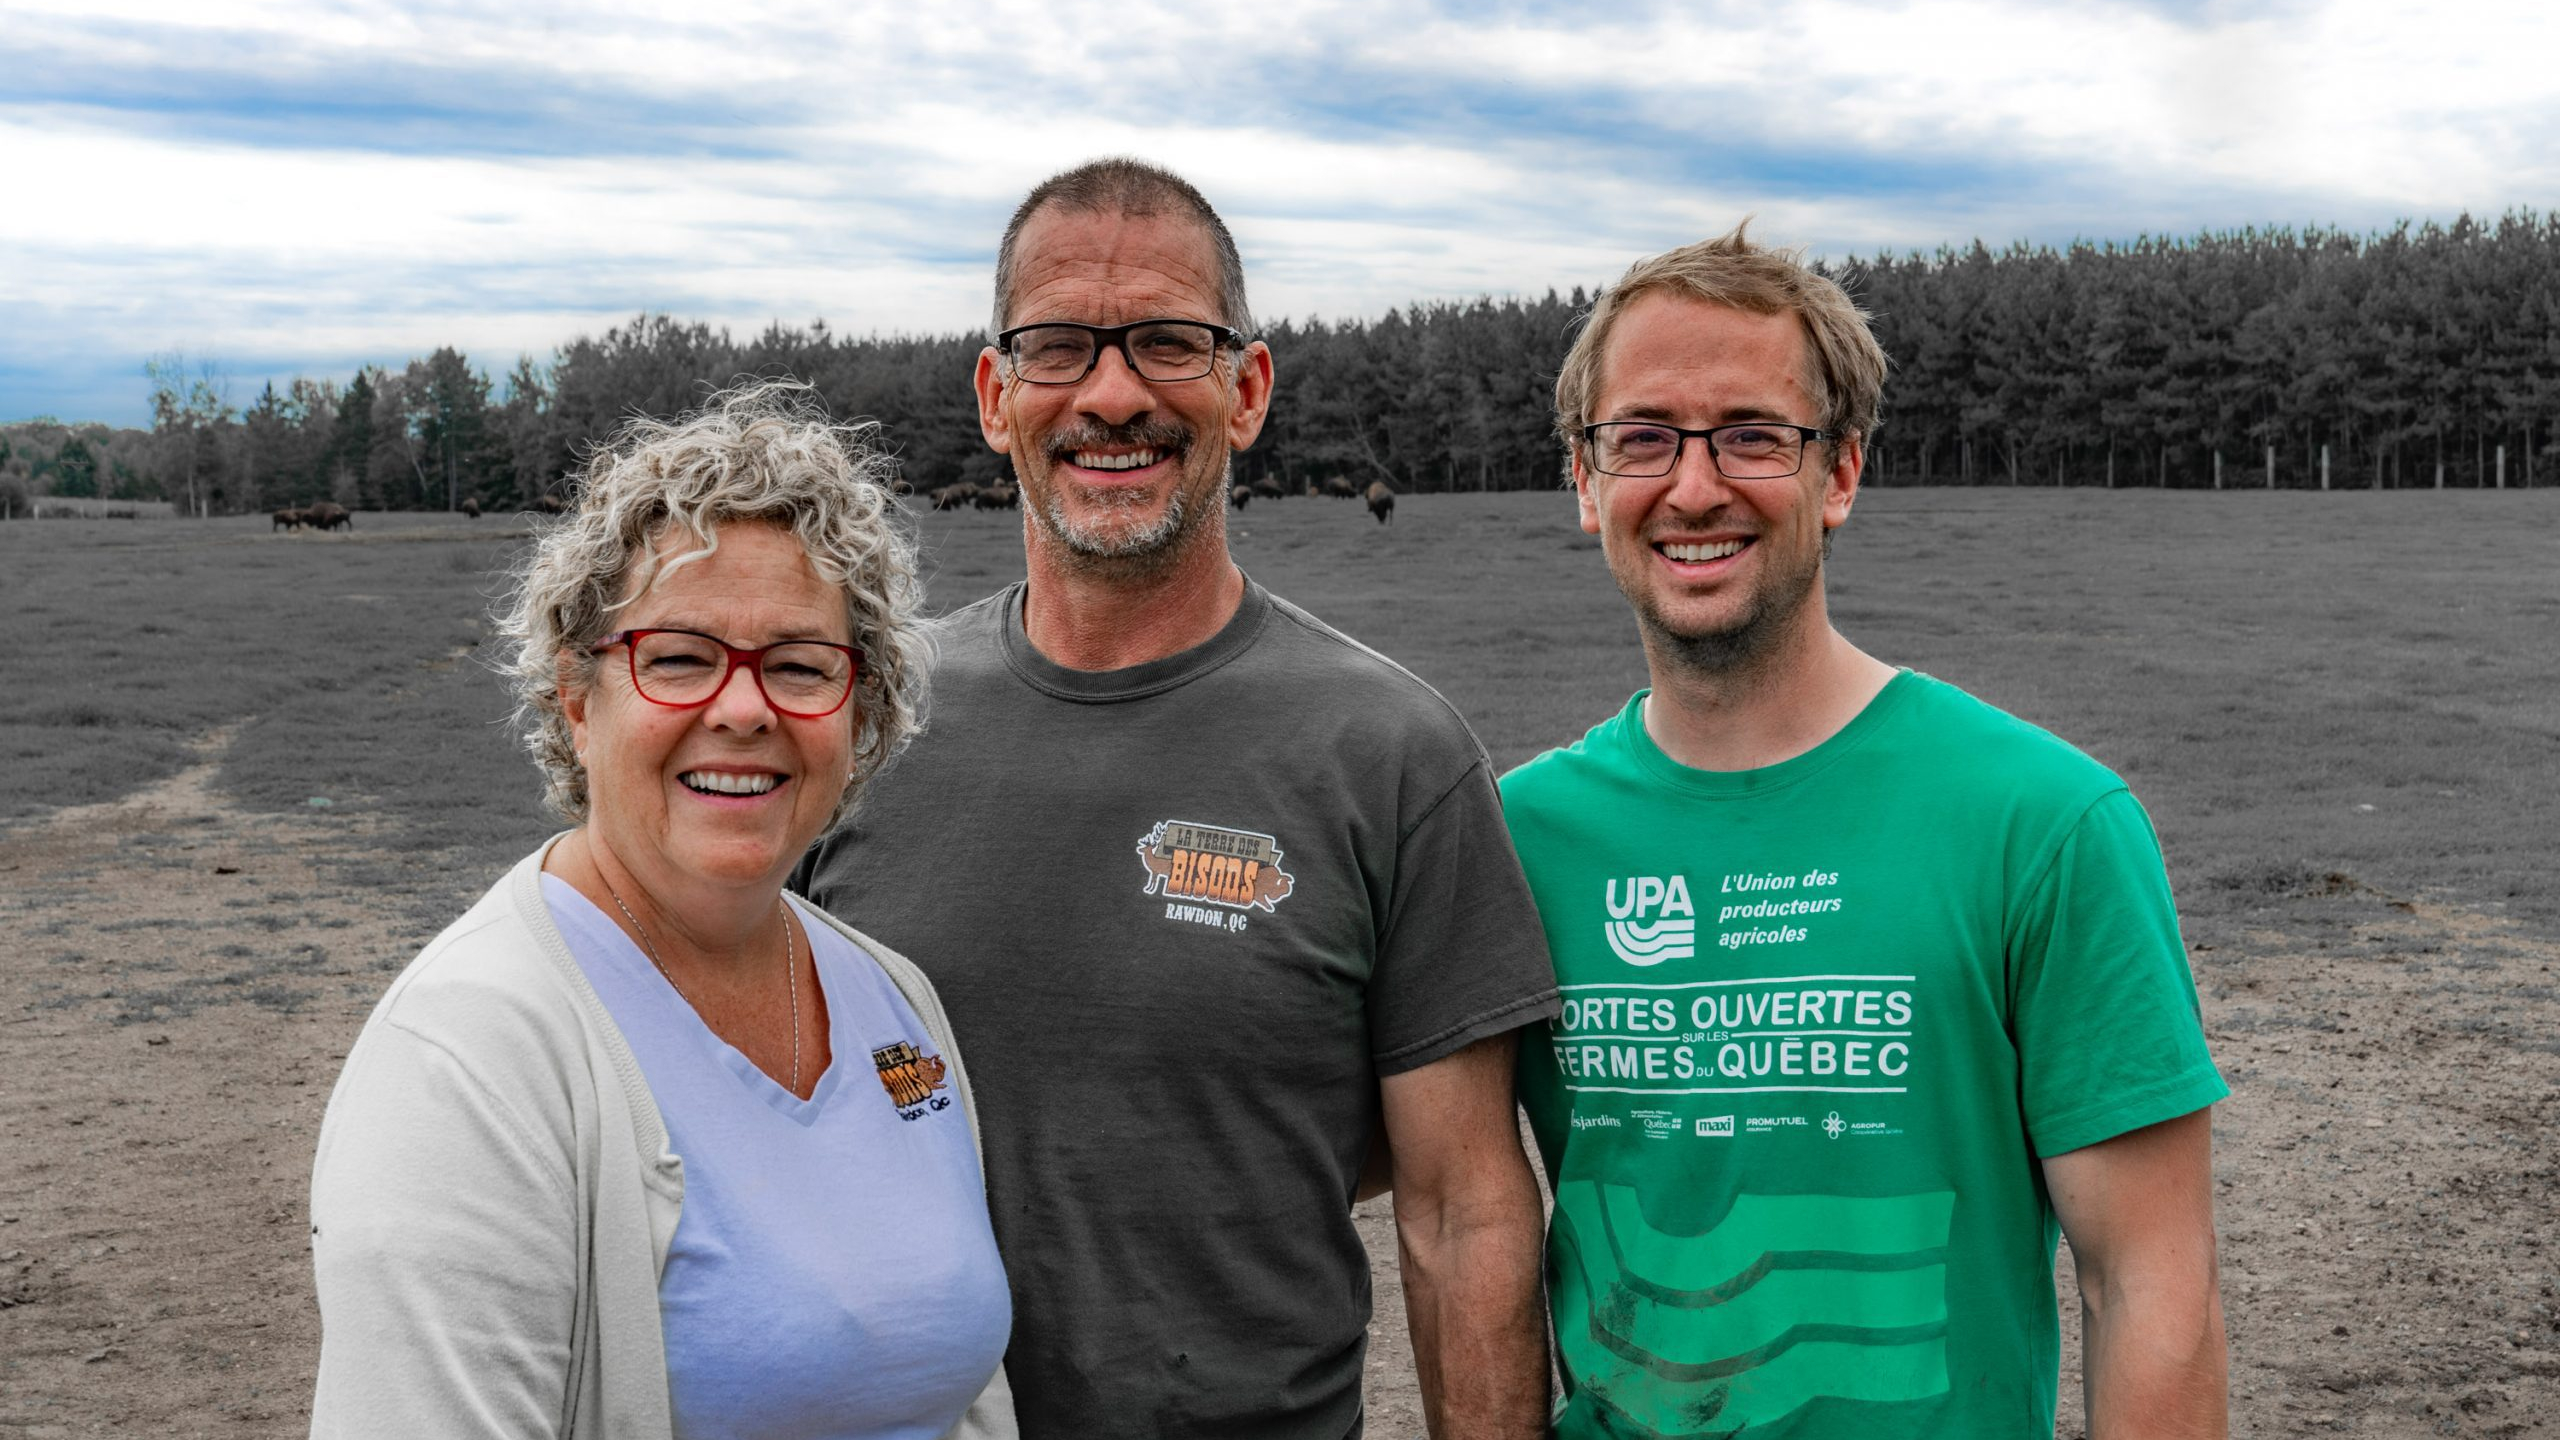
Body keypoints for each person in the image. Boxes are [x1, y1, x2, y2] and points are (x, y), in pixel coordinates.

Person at [795, 158, 1558, 1439]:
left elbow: (1459, 1210)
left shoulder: (1392, 753)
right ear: (996, 396)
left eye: (1166, 343)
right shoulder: (859, 724)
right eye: (1057, 349)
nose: (1111, 394)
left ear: (1245, 389)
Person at [1503, 226, 2231, 1438]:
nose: (1693, 487)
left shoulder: (2044, 822)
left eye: (1752, 434)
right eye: (1642, 438)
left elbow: (2148, 1281)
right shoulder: (1513, 838)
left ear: (1839, 473)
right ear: (1585, 482)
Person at [308, 385, 1016, 1439]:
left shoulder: (889, 997)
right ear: (577, 698)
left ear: (859, 712)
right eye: (678, 658)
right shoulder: (468, 1060)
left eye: (799, 665)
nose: (743, 708)